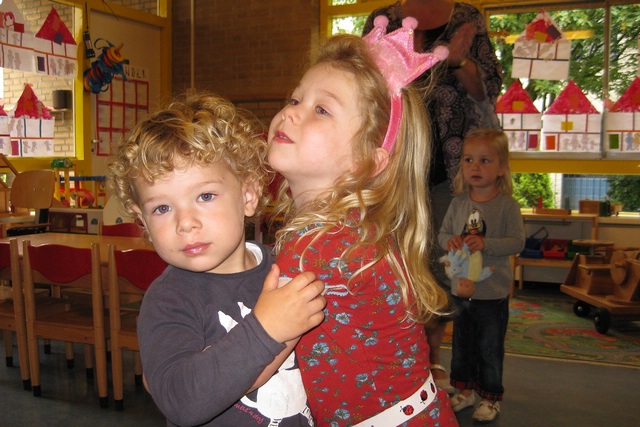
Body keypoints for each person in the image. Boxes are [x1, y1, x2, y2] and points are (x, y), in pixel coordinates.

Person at [267, 17, 457, 427]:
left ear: (367, 161)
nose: (291, 112)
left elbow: (259, 360)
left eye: (321, 109)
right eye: (295, 99)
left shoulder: (316, 245)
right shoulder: (358, 229)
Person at [107, 94, 327, 426]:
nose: (185, 223)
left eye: (205, 196)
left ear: (248, 195)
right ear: (143, 222)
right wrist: (268, 330)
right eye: (162, 208)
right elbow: (181, 402)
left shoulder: (288, 266)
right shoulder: (168, 300)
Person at [363, 0, 503, 393]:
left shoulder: (466, 18)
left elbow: (487, 91)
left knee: (441, 265)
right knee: (390, 258)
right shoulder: (383, 19)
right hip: (393, 162)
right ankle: (389, 351)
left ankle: (431, 358)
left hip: (449, 168)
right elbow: (363, 86)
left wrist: (458, 61)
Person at [437, 128, 525, 423]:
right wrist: (450, 241)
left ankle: (490, 397)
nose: (475, 166)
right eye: (468, 160)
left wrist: (487, 244)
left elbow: (517, 242)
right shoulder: (458, 203)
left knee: (489, 348)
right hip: (461, 291)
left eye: (485, 160)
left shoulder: (507, 206)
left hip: (492, 294)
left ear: (501, 168)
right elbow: (442, 235)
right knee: (462, 347)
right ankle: (465, 391)